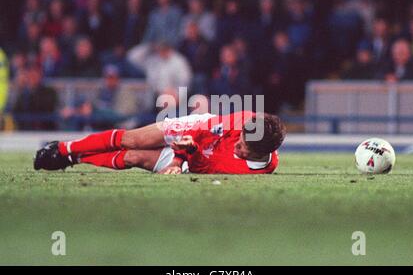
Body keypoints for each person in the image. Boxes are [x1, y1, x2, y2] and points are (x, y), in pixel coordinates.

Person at [34, 111, 286, 175]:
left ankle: (74, 158)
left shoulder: (256, 170)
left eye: (243, 148)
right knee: (133, 139)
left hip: (196, 160)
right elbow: (198, 133)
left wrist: (182, 163)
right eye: (239, 139)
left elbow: (202, 164)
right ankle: (64, 148)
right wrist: (177, 159)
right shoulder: (243, 121)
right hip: (199, 132)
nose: (237, 145)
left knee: (134, 157)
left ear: (259, 154)